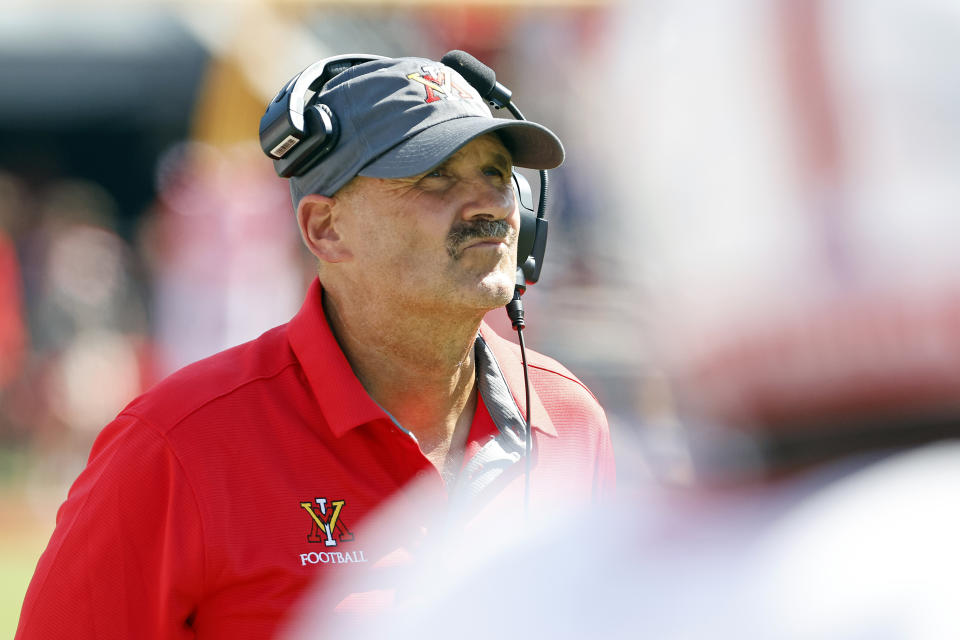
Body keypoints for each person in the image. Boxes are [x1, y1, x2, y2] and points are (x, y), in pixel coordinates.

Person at [16, 54, 615, 639]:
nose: (489, 203)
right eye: (436, 176)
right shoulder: (175, 444)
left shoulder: (570, 420)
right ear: (325, 229)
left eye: (494, 172)